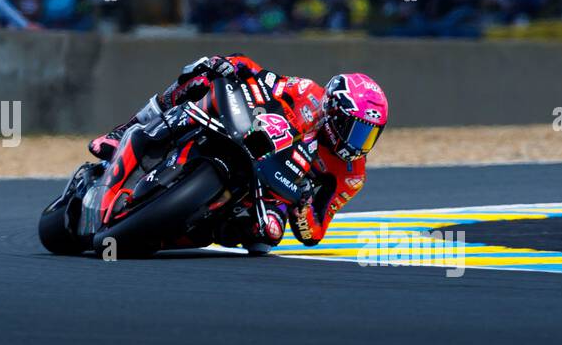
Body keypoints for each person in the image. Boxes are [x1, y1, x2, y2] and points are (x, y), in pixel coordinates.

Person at [88, 54, 388, 253]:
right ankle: (127, 129)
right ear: (333, 111)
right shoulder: (308, 92)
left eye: (370, 134)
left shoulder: (352, 175)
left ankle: (172, 230)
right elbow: (264, 78)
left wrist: (304, 207)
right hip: (248, 132)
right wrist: (232, 66)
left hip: (273, 190)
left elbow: (315, 232)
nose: (359, 142)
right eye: (356, 129)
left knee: (264, 237)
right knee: (202, 78)